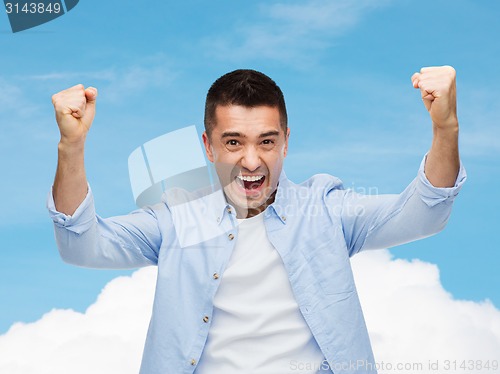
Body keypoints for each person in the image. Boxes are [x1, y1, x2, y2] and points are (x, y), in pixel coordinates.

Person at [47, 67, 466, 374]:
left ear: (286, 141)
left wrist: (445, 127)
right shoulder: (176, 220)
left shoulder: (326, 210)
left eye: (267, 141)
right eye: (234, 143)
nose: (251, 161)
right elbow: (80, 244)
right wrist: (71, 146)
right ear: (209, 147)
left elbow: (424, 214)